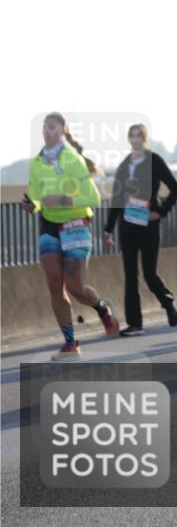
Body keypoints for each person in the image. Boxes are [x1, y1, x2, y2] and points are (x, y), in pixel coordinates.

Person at [22, 112, 120, 359]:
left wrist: (63, 199)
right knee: (54, 284)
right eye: (44, 127)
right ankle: (70, 343)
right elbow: (35, 195)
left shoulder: (73, 160)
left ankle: (102, 308)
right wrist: (31, 204)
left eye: (51, 127)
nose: (46, 131)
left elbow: (94, 198)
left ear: (62, 131)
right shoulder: (37, 163)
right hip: (48, 225)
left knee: (75, 287)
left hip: (76, 224)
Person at [103, 123, 177, 335]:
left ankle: (168, 303)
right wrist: (108, 229)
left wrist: (161, 212)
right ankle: (135, 324)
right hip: (127, 226)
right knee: (130, 275)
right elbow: (117, 198)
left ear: (145, 139)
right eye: (132, 136)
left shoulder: (155, 161)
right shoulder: (124, 165)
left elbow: (176, 189)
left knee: (149, 274)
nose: (135, 140)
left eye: (139, 136)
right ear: (129, 139)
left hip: (149, 226)